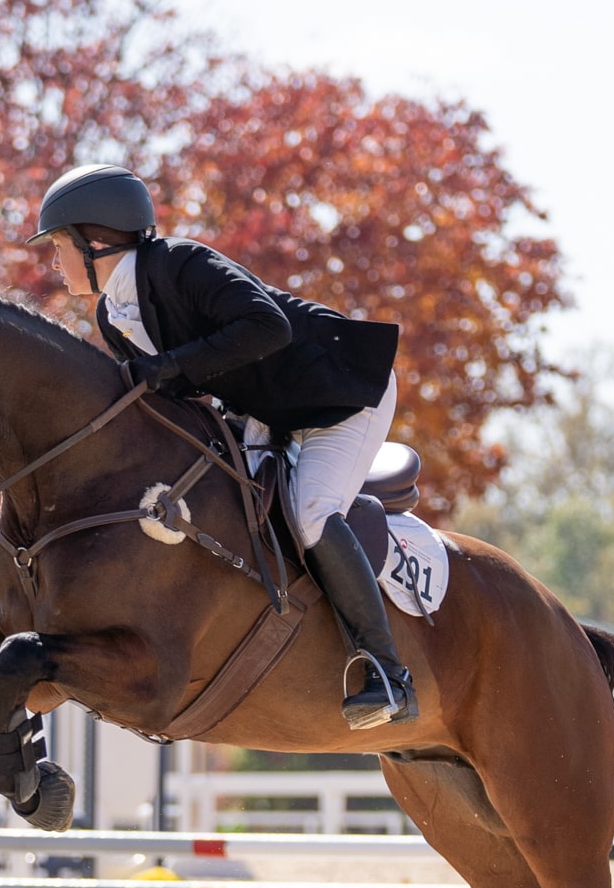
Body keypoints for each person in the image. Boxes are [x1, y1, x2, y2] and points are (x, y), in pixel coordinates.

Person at [26, 161, 416, 728]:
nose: (54, 263)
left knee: (310, 512)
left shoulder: (181, 263)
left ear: (95, 241)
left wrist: (169, 366)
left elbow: (269, 327)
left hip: (338, 395)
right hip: (264, 411)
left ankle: (388, 673)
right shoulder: (113, 316)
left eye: (58, 246)